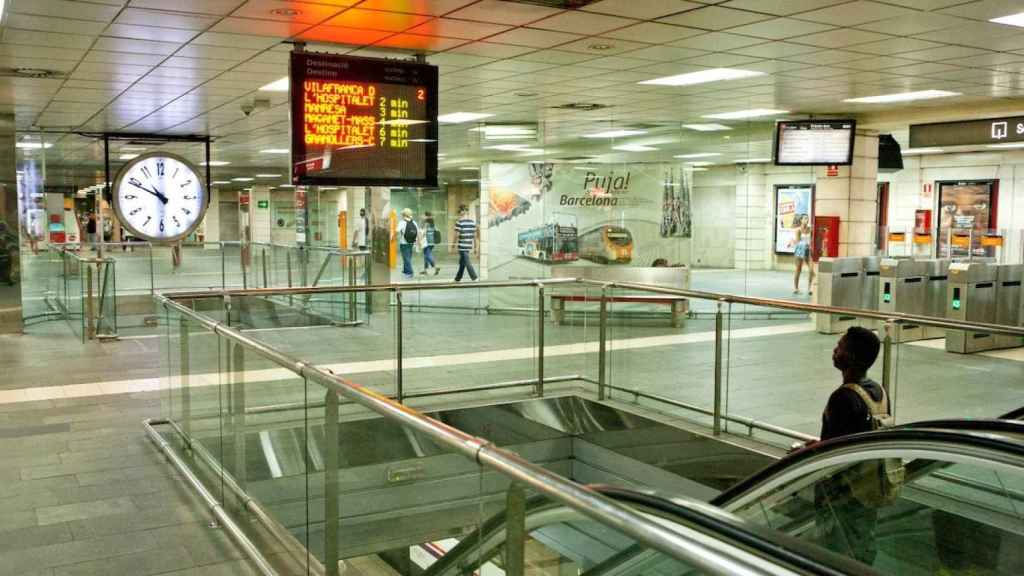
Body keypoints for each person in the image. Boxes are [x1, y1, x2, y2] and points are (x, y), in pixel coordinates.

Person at [815, 326, 886, 565]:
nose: (835, 349)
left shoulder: (843, 397)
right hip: (867, 488)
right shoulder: (877, 391)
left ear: (852, 357)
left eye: (841, 346)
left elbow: (832, 452)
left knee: (834, 553)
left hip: (842, 494)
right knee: (862, 546)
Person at [454, 205, 478, 282]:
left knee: (467, 262)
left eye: (460, 211)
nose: (459, 213)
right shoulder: (472, 222)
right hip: (469, 244)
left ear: (462, 212)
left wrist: (453, 245)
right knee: (462, 263)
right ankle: (457, 278)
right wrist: (475, 246)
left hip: (462, 245)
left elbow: (456, 235)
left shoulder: (459, 222)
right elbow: (474, 236)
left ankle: (474, 277)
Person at [793, 214, 814, 295]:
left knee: (811, 270)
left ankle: (809, 288)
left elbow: (812, 239)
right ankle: (796, 287)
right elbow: (798, 242)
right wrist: (805, 245)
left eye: (807, 219)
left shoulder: (810, 229)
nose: (807, 220)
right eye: (805, 218)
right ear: (801, 220)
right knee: (798, 269)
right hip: (800, 251)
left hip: (808, 251)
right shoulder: (798, 230)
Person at [396, 208, 416, 280]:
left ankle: (410, 272)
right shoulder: (414, 222)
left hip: (404, 243)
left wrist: (392, 238)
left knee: (406, 258)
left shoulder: (402, 222)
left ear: (404, 215)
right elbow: (417, 232)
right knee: (408, 257)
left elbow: (397, 231)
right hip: (411, 242)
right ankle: (405, 271)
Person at [420, 211, 439, 276]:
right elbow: (436, 230)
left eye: (424, 215)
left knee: (427, 255)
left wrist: (419, 240)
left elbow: (424, 232)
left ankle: (435, 267)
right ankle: (425, 270)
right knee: (426, 256)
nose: (423, 216)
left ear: (426, 216)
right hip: (432, 241)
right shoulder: (433, 223)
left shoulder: (426, 224)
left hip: (426, 241)